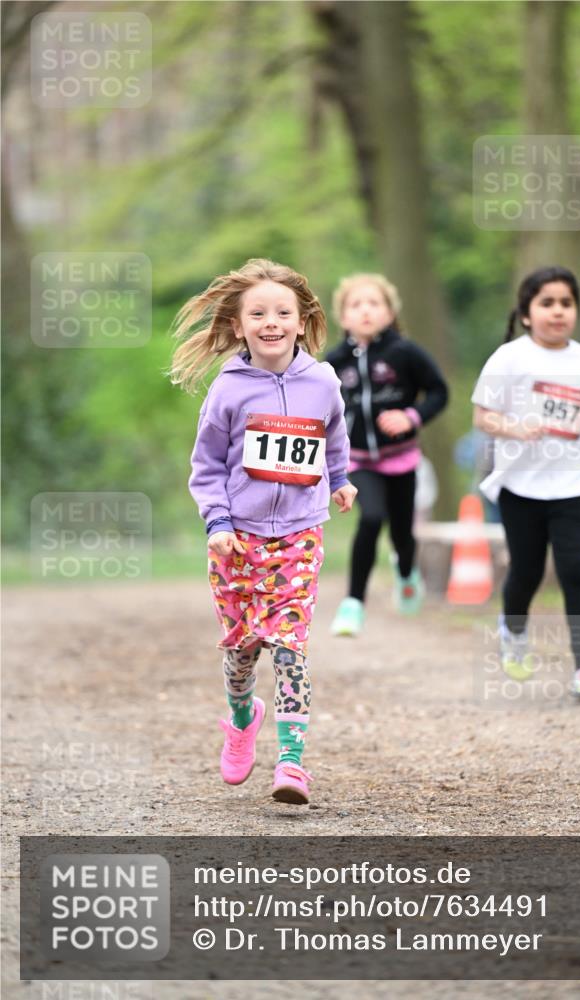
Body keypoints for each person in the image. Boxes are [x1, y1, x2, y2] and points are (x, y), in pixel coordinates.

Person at [170, 259, 357, 804]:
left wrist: (340, 480)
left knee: (290, 647)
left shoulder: (322, 381)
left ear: (302, 322)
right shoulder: (228, 391)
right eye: (258, 314)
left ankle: (292, 762)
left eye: (282, 313)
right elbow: (206, 466)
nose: (271, 322)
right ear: (238, 325)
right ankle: (240, 715)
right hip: (236, 540)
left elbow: (334, 437)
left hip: (299, 534)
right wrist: (217, 522)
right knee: (244, 650)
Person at [471, 266, 580, 702]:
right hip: (521, 486)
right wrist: (515, 428)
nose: (558, 311)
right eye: (547, 303)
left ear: (576, 311)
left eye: (566, 303)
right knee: (527, 571)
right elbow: (482, 417)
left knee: (576, 570)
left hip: (573, 484)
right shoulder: (509, 358)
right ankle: (514, 631)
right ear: (526, 313)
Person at [325, 273, 448, 636]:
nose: (365, 310)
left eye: (374, 303)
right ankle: (353, 604)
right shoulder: (334, 362)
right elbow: (319, 408)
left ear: (390, 313)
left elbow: (439, 391)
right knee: (370, 517)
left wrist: (411, 417)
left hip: (401, 459)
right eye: (356, 305)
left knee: (402, 536)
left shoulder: (405, 353)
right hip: (358, 460)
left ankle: (406, 573)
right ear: (343, 317)